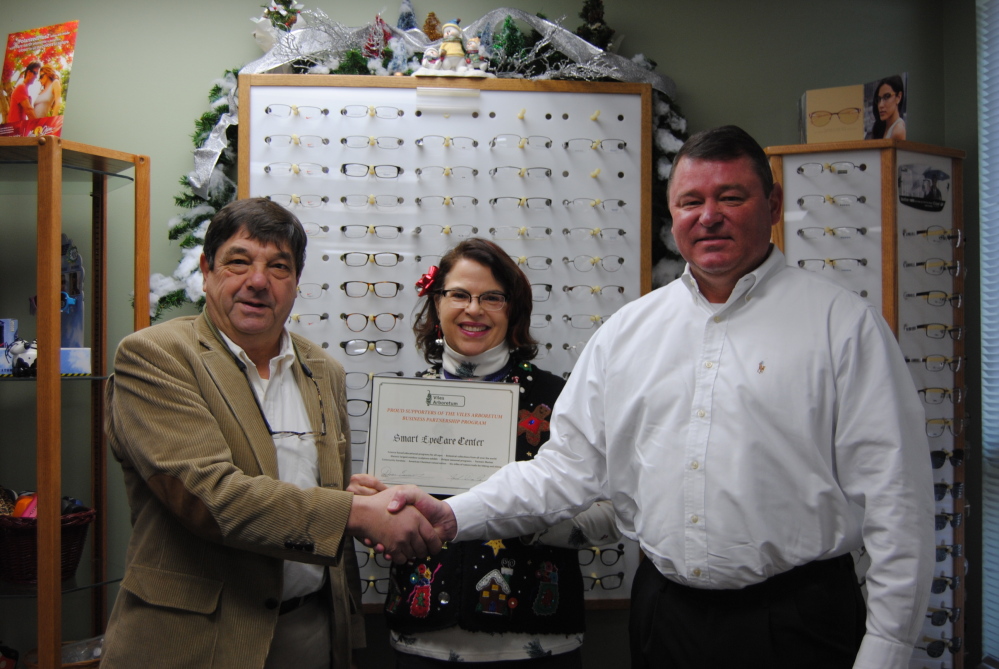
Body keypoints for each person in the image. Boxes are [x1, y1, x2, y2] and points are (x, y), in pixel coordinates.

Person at [392, 126, 935, 669]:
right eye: (690, 201)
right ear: (673, 215)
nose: (709, 215)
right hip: (666, 614)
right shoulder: (629, 332)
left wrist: (888, 652)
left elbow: (899, 505)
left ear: (772, 205)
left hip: (799, 619)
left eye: (731, 196)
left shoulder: (842, 327)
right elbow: (561, 472)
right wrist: (450, 516)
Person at [101, 197, 442, 669]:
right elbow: (211, 499)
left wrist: (351, 497)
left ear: (296, 282)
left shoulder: (324, 370)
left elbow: (316, 495)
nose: (258, 281)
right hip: (196, 644)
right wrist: (354, 512)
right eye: (239, 262)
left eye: (278, 266)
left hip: (311, 636)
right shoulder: (156, 357)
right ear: (206, 270)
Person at [349, 238, 619, 667]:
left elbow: (613, 515)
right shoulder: (402, 402)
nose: (473, 309)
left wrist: (526, 516)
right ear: (436, 304)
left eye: (492, 297)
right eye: (459, 294)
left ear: (514, 309)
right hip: (422, 641)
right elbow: (386, 523)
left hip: (537, 641)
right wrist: (373, 505)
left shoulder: (559, 400)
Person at [872, 75, 906, 140]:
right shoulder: (883, 128)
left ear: (898, 97)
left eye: (887, 97)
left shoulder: (898, 130)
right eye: (879, 99)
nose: (880, 105)